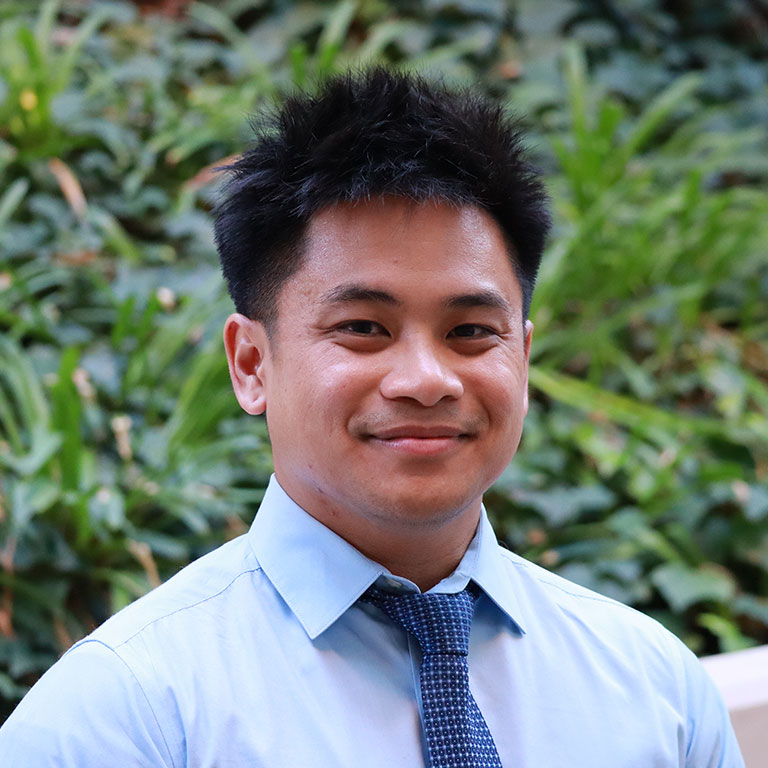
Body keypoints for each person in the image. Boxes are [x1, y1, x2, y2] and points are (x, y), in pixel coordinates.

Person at [0, 68, 743, 767]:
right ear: (251, 364)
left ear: (522, 354)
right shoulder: (122, 719)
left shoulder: (655, 692)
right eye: (362, 328)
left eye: (470, 333)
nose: (426, 379)